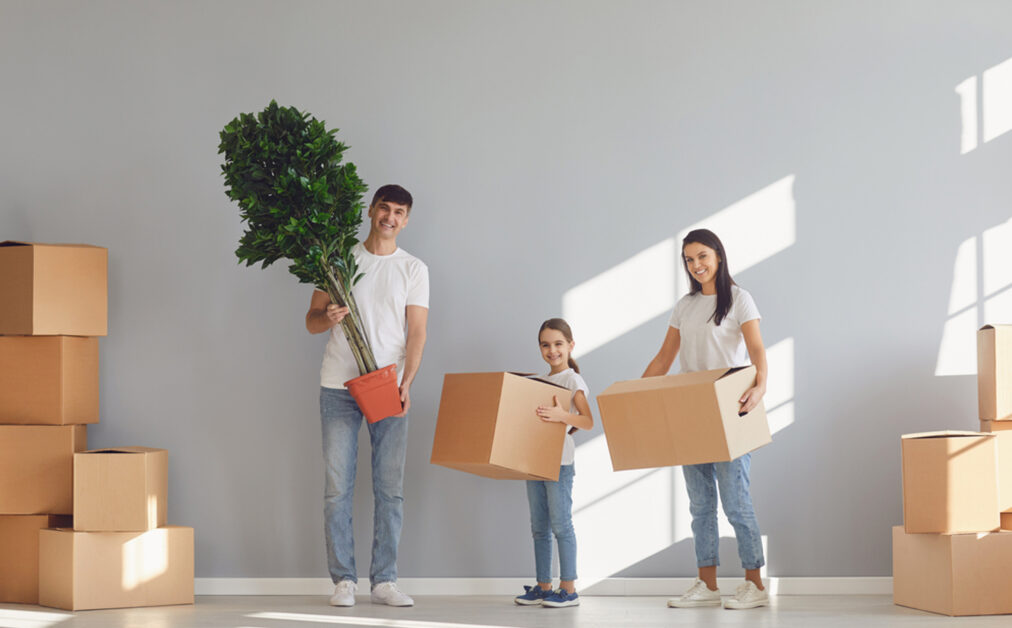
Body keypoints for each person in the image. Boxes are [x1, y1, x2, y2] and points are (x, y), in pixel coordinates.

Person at [305, 184, 429, 608]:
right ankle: (343, 581)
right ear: (371, 211)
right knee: (337, 487)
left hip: (388, 386)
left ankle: (384, 580)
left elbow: (416, 331)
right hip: (337, 386)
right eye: (384, 208)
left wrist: (407, 381)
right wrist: (328, 315)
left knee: (389, 487)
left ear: (406, 220)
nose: (390, 217)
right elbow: (311, 321)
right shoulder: (339, 260)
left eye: (399, 212)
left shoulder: (413, 269)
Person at [642, 228, 769, 610]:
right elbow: (665, 358)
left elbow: (756, 348)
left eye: (701, 256)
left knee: (736, 504)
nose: (696, 265)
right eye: (688, 260)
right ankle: (707, 584)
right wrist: (633, 394)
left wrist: (761, 386)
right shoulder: (685, 306)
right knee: (700, 506)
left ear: (717, 255)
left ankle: (754, 584)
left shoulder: (739, 300)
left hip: (730, 408)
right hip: (690, 410)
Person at [513, 318, 594, 609]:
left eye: (558, 344)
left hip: (560, 462)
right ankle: (544, 585)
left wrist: (563, 417)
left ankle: (568, 588)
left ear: (570, 346)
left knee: (561, 524)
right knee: (539, 526)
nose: (552, 350)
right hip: (534, 460)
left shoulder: (573, 380)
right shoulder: (540, 381)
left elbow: (588, 421)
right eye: (546, 345)